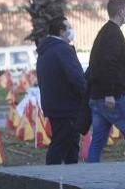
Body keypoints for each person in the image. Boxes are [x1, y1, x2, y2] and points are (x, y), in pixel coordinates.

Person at [86, 0, 125, 162]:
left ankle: (91, 174)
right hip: (112, 97)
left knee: (98, 140)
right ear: (120, 12)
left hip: (97, 96)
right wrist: (110, 93)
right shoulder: (113, 33)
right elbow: (108, 65)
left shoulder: (105, 32)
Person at [36, 16, 87, 164]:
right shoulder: (62, 50)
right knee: (60, 145)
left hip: (54, 106)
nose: (71, 31)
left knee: (70, 146)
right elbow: (76, 78)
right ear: (61, 31)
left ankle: (70, 178)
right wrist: (86, 95)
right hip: (68, 107)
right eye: (69, 28)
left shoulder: (45, 50)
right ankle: (51, 179)